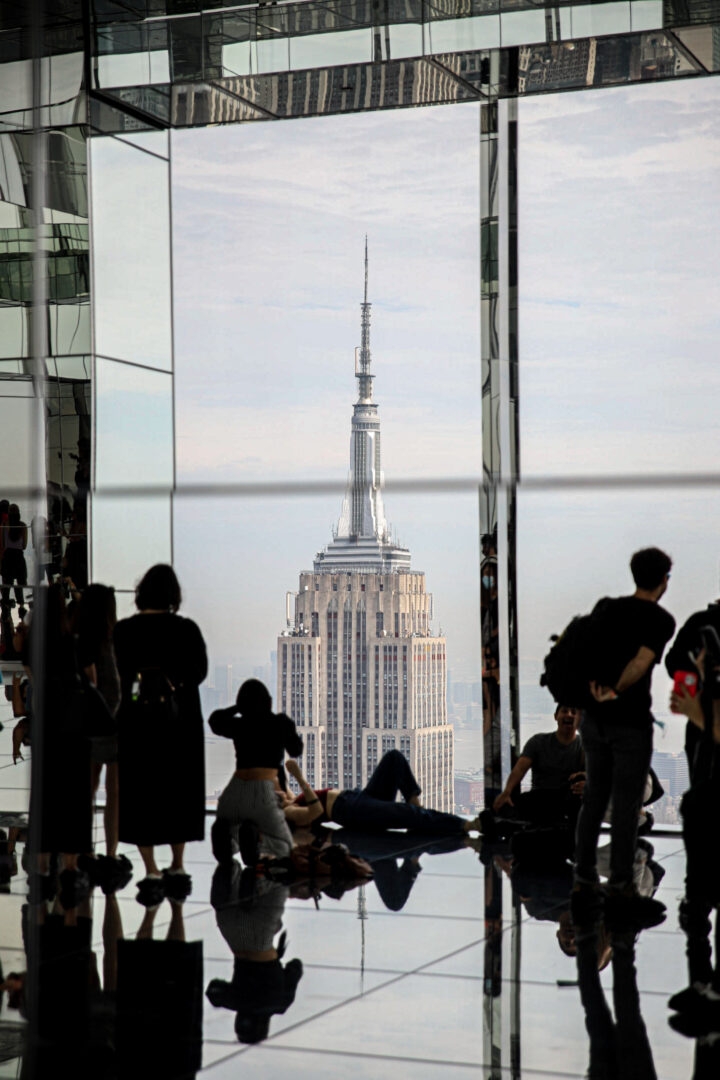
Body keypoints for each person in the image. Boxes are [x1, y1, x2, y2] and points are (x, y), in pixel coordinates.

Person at [573, 547, 675, 927]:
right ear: (664, 580)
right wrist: (616, 690)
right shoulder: (660, 619)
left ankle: (583, 881)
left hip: (593, 718)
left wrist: (595, 694)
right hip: (629, 721)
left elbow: (583, 651)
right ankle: (620, 887)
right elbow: (641, 662)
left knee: (594, 797)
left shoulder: (606, 608)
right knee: (627, 803)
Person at [114, 565, 207, 906]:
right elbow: (199, 672)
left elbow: (119, 673)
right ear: (173, 595)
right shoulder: (185, 629)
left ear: (141, 593)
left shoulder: (124, 631)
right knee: (177, 793)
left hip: (137, 725)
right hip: (178, 726)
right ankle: (178, 868)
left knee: (142, 796)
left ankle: (151, 872)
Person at [208, 679, 303, 865]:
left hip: (233, 793)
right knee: (284, 848)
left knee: (233, 821)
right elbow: (296, 750)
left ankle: (229, 838)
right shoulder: (280, 723)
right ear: (269, 701)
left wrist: (238, 707)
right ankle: (255, 838)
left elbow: (215, 720)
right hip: (265, 791)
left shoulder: (239, 724)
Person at [280, 750, 481, 836]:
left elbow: (277, 779)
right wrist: (299, 777)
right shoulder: (288, 812)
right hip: (351, 811)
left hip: (357, 798)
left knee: (394, 758)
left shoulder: (289, 800)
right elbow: (314, 812)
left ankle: (415, 806)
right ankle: (465, 824)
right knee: (406, 814)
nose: (279, 793)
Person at [75, 584, 128, 888]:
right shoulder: (113, 637)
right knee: (113, 791)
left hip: (92, 720)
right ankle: (110, 852)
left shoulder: (82, 639)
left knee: (90, 787)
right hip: (114, 719)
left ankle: (85, 850)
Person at [492, 705, 585, 823]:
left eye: (573, 712)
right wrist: (507, 792)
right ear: (556, 716)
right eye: (565, 711)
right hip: (540, 798)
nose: (569, 715)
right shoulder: (538, 741)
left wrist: (586, 783)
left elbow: (596, 774)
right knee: (503, 808)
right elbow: (520, 769)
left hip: (568, 799)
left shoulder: (584, 746)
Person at [1, 504, 28, 613]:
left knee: (7, 585)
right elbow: (24, 546)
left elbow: (3, 544)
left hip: (8, 557)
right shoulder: (23, 526)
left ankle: (5, 609)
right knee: (19, 584)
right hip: (18, 557)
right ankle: (21, 606)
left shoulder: (4, 525)